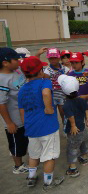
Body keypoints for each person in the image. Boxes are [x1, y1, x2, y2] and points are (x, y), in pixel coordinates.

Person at [18, 56, 64, 190]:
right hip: (47, 126)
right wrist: (49, 108)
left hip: (31, 127)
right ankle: (48, 182)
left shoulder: (22, 89)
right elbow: (45, 93)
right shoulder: (44, 83)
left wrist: (26, 124)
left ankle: (31, 178)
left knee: (34, 154)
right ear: (40, 70)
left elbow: (22, 110)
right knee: (49, 155)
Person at [0, 48, 29, 174]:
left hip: (23, 115)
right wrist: (9, 123)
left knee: (23, 141)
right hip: (14, 120)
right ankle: (18, 166)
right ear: (5, 63)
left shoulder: (14, 71)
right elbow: (1, 103)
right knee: (16, 144)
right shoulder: (2, 79)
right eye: (16, 59)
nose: (19, 61)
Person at [58, 75, 88, 178]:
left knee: (72, 148)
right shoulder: (81, 99)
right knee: (84, 143)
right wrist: (87, 118)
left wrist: (72, 125)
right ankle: (84, 157)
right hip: (83, 128)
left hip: (74, 130)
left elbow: (70, 115)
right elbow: (86, 108)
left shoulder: (67, 104)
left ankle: (73, 169)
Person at [68, 52, 88, 142]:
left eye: (76, 62)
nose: (74, 65)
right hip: (76, 101)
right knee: (78, 118)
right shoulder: (70, 74)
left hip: (87, 100)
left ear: (82, 62)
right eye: (72, 63)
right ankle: (79, 132)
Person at [44, 48, 69, 126]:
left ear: (59, 58)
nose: (53, 60)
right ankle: (54, 128)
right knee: (52, 113)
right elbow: (45, 83)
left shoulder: (65, 69)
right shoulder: (47, 70)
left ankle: (65, 127)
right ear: (48, 58)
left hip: (62, 94)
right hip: (52, 95)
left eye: (55, 58)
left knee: (63, 112)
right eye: (51, 58)